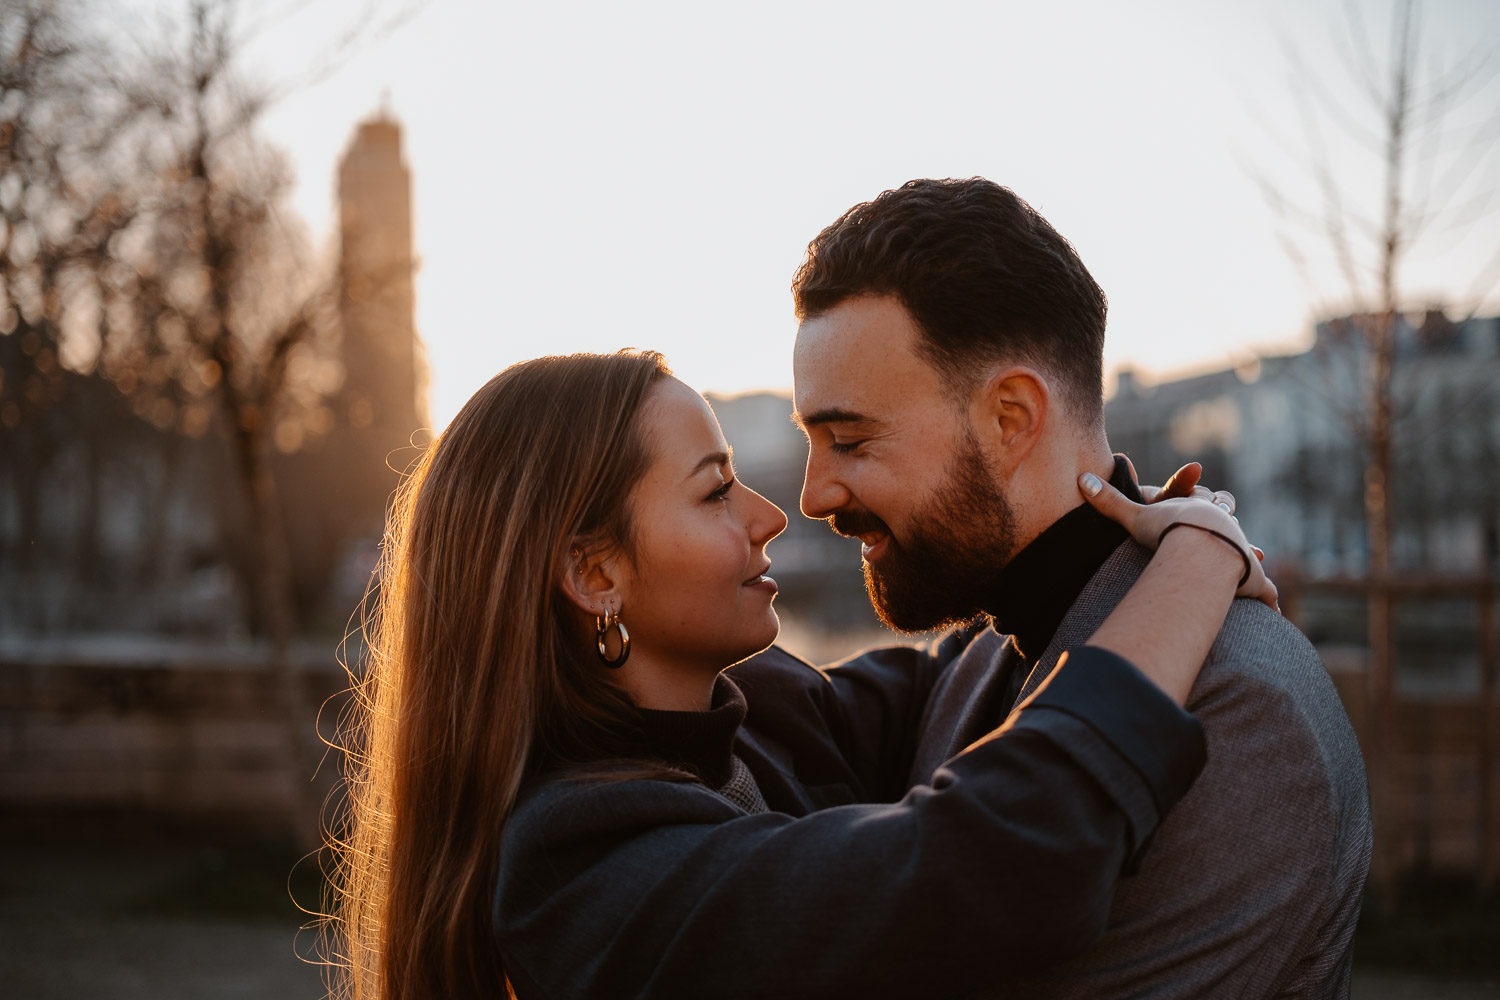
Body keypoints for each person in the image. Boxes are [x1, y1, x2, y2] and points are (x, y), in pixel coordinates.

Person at [327, 348, 1272, 999]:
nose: (771, 514)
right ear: (595, 573)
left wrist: (1125, 520)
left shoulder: (761, 712)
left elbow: (978, 673)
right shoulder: (582, 874)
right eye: (714, 489)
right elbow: (1003, 859)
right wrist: (1198, 558)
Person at [788, 177, 1373, 999]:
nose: (814, 495)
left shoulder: (1238, 708)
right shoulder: (982, 652)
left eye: (848, 439)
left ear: (1011, 418)